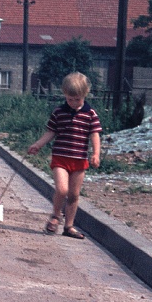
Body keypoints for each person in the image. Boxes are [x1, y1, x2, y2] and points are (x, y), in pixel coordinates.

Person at [27, 72, 101, 239]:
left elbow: (95, 135)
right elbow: (51, 132)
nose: (74, 103)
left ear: (85, 94)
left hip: (79, 160)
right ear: (64, 94)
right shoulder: (59, 112)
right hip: (60, 158)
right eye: (70, 99)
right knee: (62, 189)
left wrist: (96, 154)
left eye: (78, 99)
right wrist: (38, 144)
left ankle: (69, 226)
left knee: (74, 195)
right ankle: (55, 216)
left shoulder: (90, 114)